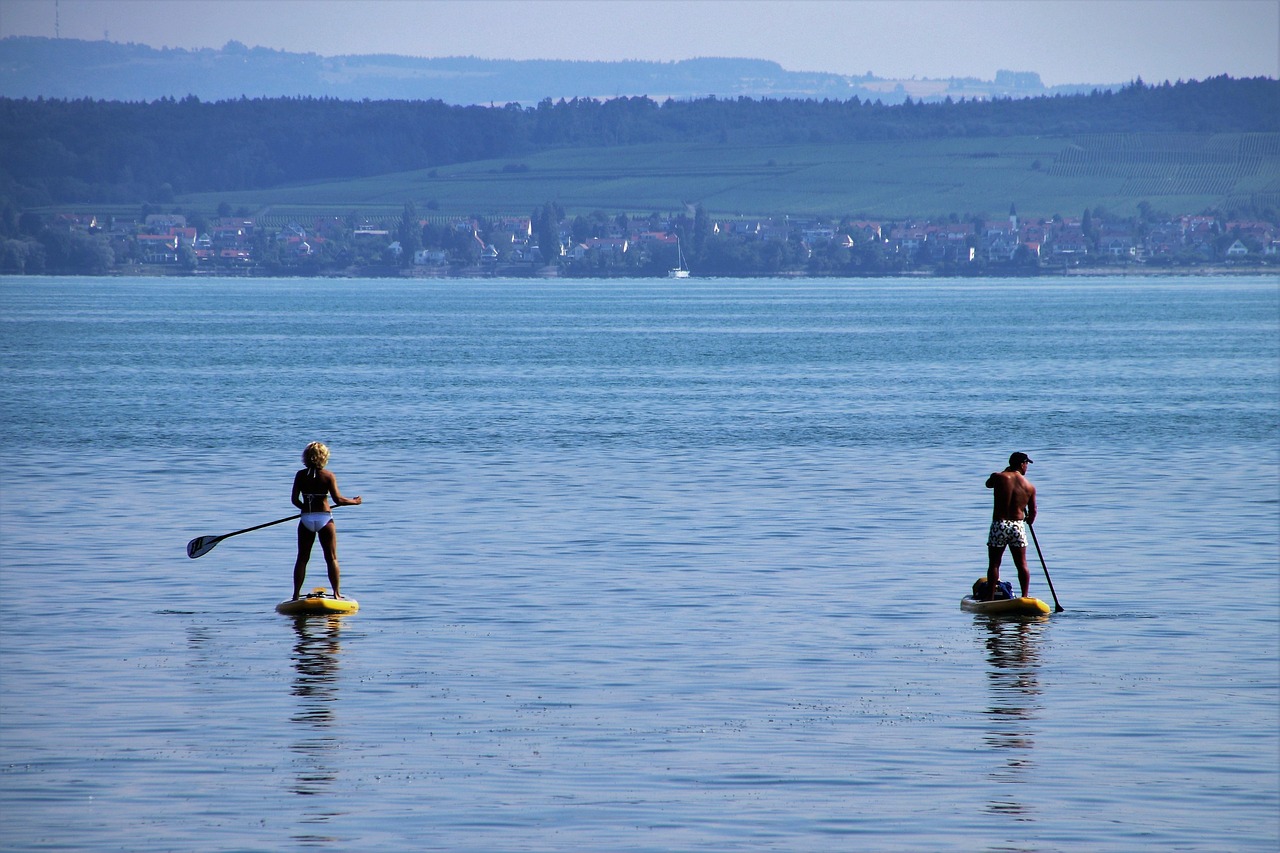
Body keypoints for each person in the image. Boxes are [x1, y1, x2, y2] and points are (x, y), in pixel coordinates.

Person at [291, 441, 361, 599]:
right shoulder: (328, 475)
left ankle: (295, 594)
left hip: (306, 519)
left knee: (302, 558)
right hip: (324, 519)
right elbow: (338, 500)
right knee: (331, 558)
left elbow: (294, 500)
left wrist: (305, 508)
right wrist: (355, 501)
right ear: (323, 457)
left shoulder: (300, 475)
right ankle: (336, 594)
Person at [984, 451, 1037, 600]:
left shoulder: (999, 477)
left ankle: (990, 597)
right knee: (1022, 564)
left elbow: (988, 484)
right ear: (1021, 464)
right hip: (1017, 525)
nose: (1027, 467)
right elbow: (1033, 514)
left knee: (994, 563)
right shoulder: (1029, 486)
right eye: (1026, 464)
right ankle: (1024, 596)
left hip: (1000, 524)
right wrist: (1028, 518)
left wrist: (1004, 471)